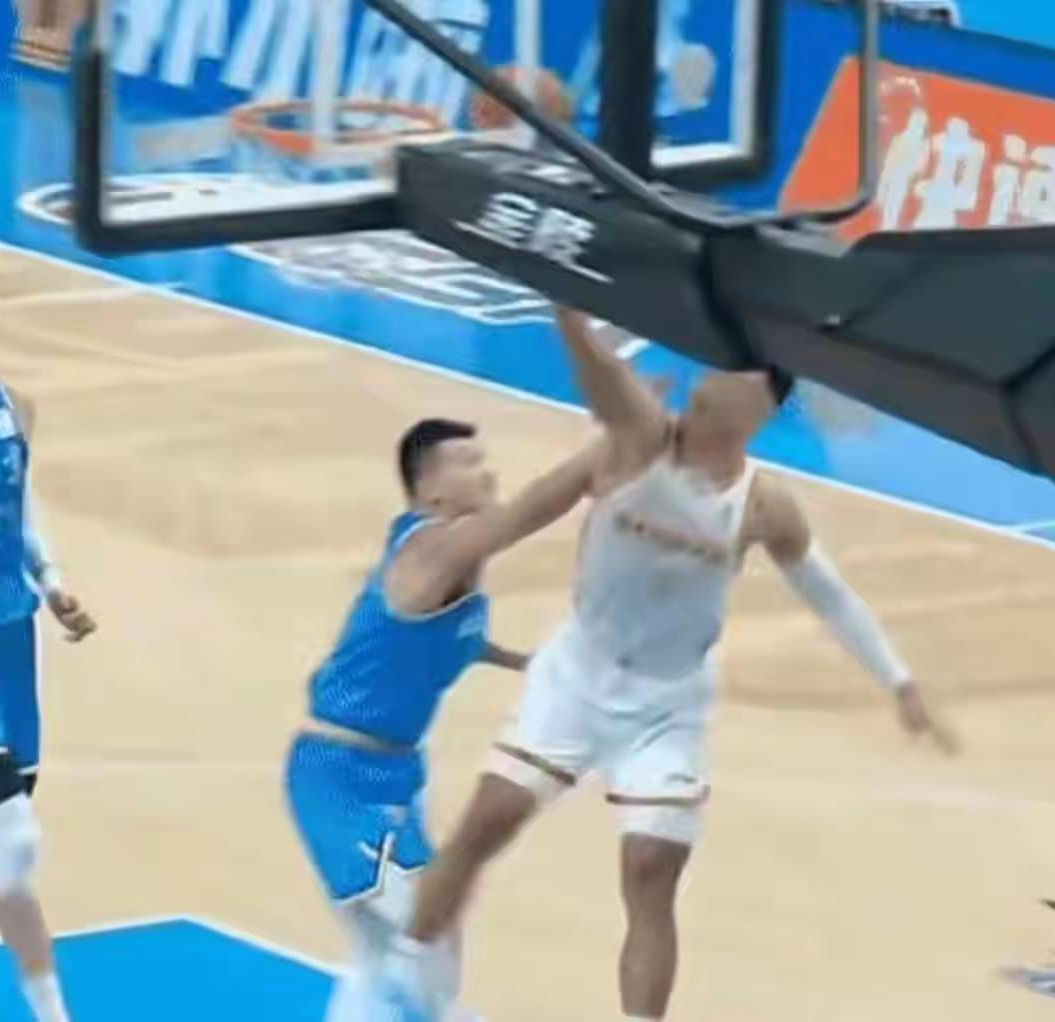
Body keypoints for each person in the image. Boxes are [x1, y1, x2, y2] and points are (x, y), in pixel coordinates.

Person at [387, 306, 956, 1021]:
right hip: (579, 677)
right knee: (486, 824)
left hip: (667, 703)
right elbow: (602, 381)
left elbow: (828, 592)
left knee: (651, 870)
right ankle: (396, 980)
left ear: (762, 405)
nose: (708, 376)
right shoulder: (642, 440)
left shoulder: (765, 504)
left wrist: (899, 681)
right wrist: (569, 314)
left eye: (730, 372)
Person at [285, 416, 599, 1021]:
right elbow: (527, 512)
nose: (488, 473)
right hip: (338, 775)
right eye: (469, 463)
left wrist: (527, 663)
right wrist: (600, 455)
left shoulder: (448, 569)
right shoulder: (433, 548)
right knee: (417, 934)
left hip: (396, 773)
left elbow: (448, 641)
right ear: (430, 489)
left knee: (417, 943)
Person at [0, 272, 97, 1022]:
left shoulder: (14, 409)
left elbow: (20, 518)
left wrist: (53, 586)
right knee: (16, 842)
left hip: (11, 645)